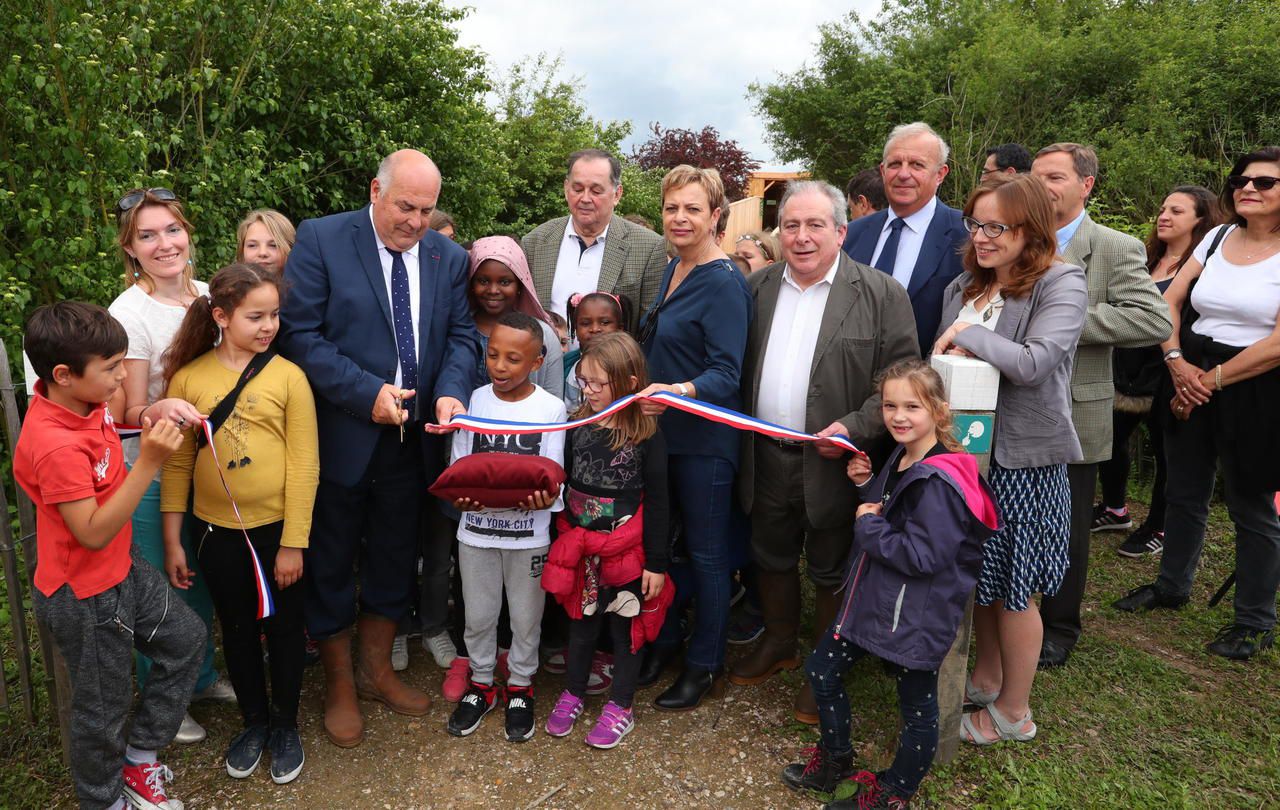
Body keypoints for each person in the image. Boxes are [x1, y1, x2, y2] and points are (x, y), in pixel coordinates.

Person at [278, 149, 478, 748]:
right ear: (375, 191)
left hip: (414, 442)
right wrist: (367, 393)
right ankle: (340, 682)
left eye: (426, 210)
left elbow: (464, 335)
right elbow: (299, 335)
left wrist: (449, 393)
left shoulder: (449, 258)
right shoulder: (322, 239)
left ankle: (378, 670)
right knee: (333, 559)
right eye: (404, 207)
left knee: (395, 555)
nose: (415, 222)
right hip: (341, 436)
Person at [731, 180, 919, 725]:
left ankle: (826, 664)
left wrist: (856, 428)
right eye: (791, 225)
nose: (802, 236)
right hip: (766, 453)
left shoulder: (881, 294)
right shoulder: (757, 287)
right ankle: (780, 641)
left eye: (815, 225)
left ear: (841, 230)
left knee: (834, 566)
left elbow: (899, 376)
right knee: (770, 552)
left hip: (838, 460)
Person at [780, 359, 997, 809]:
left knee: (917, 705)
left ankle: (894, 794)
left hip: (915, 614)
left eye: (912, 406)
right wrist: (865, 486)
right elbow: (886, 510)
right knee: (823, 670)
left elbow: (922, 554)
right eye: (889, 405)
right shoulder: (903, 454)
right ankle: (837, 761)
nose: (899, 416)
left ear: (939, 410)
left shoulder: (939, 481)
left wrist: (867, 526)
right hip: (876, 598)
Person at [16, 301, 199, 810]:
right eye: (111, 368)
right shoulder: (52, 444)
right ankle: (103, 801)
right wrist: (153, 460)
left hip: (124, 570)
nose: (123, 378)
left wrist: (151, 416)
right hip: (84, 594)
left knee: (186, 642)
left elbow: (107, 452)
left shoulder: (84, 405)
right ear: (62, 375)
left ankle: (139, 760)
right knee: (103, 712)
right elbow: (91, 532)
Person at [932, 172, 1087, 745]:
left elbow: (1034, 363)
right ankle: (988, 675)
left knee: (1018, 588)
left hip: (1023, 462)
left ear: (1032, 229)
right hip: (966, 462)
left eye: (999, 226)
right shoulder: (963, 287)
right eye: (976, 224)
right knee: (984, 576)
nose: (983, 236)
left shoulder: (1061, 283)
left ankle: (1013, 712)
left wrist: (968, 334)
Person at [1114, 147, 1280, 660]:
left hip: (1255, 381)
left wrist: (1208, 380)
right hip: (1187, 365)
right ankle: (1171, 586)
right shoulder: (1216, 236)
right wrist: (1176, 359)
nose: (1247, 188)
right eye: (1241, 180)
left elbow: (1277, 342)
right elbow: (1169, 301)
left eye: (1264, 182)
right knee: (1184, 487)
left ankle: (1254, 620)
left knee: (1251, 505)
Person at [159, 263, 318, 785]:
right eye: (256, 316)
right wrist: (173, 539)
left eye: (274, 314)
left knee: (285, 628)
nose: (269, 325)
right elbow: (179, 463)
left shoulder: (290, 377)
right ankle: (253, 722)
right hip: (213, 534)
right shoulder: (189, 378)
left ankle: (286, 724)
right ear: (222, 317)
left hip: (277, 533)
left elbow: (304, 464)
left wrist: (294, 543)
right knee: (238, 629)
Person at [1030, 143, 1172, 669]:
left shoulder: (1113, 247)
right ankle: (1007, 613)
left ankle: (1059, 627)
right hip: (1010, 404)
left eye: (1054, 176)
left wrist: (1065, 321)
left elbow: (1154, 321)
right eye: (1034, 175)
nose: (1042, 185)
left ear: (1085, 184)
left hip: (1073, 410)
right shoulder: (1012, 237)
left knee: (1065, 527)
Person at [108, 187, 229, 744]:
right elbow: (125, 410)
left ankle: (199, 679)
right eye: (148, 235)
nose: (164, 244)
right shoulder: (128, 313)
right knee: (160, 590)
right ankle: (165, 703)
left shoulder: (209, 295)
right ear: (130, 249)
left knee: (198, 577)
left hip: (212, 467)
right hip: (154, 473)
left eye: (172, 230)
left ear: (189, 234)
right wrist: (159, 406)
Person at [635, 165, 751, 710]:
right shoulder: (674, 267)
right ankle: (665, 643)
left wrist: (678, 389)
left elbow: (728, 374)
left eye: (692, 209)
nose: (680, 218)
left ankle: (705, 665)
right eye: (671, 208)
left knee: (706, 557)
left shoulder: (724, 281)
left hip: (704, 444)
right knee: (664, 548)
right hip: (662, 436)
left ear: (716, 216)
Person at [543, 332, 672, 749]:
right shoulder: (576, 423)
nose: (591, 390)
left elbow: (660, 501)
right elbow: (561, 481)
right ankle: (575, 691)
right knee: (581, 626)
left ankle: (621, 705)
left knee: (625, 630)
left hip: (628, 554)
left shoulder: (647, 433)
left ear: (630, 381)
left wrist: (656, 561)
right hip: (583, 551)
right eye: (584, 381)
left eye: (599, 383)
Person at [445, 312, 567, 742]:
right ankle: (481, 684)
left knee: (526, 617)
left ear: (536, 363)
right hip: (475, 534)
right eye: (493, 355)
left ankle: (520, 686)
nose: (500, 366)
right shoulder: (474, 400)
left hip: (528, 538)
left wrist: (547, 498)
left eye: (513, 359)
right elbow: (460, 462)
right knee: (477, 616)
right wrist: (460, 495)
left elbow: (554, 474)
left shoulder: (552, 408)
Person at [1096, 186, 1221, 558]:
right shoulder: (1144, 258)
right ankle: (1115, 509)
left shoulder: (1202, 270)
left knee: (1167, 454)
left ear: (1201, 220)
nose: (1164, 216)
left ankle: (1158, 526)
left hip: (1168, 371)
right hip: (1125, 369)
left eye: (1177, 211)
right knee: (1109, 442)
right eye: (1163, 209)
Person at [842, 123, 968, 355]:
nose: (903, 174)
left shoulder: (966, 235)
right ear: (882, 171)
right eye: (895, 164)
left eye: (917, 165)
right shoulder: (851, 234)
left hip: (924, 383)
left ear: (940, 174)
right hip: (850, 380)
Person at [522, 149, 670, 329]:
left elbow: (650, 328)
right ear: (566, 189)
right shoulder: (535, 242)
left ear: (617, 194)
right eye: (577, 189)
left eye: (596, 191)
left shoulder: (649, 247)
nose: (585, 198)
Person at [465, 235, 564, 400]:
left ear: (520, 284)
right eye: (483, 281)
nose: (493, 290)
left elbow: (553, 396)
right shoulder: (458, 328)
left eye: (504, 282)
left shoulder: (542, 334)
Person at [562, 291, 630, 411]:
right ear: (575, 330)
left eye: (605, 322)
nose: (595, 329)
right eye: (585, 323)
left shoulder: (628, 367)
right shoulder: (565, 365)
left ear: (620, 328)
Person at [236, 209, 296, 275]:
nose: (262, 253)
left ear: (290, 248)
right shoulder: (227, 284)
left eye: (273, 245)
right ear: (242, 251)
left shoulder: (305, 284)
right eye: (252, 245)